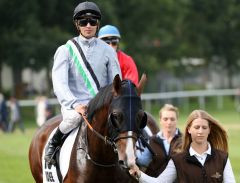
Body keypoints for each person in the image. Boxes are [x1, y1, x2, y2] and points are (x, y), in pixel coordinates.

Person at [44, 1, 121, 165]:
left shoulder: (108, 51)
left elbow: (115, 83)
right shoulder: (65, 50)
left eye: (92, 21)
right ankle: (53, 145)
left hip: (101, 106)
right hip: (75, 106)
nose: (88, 25)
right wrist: (74, 104)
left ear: (97, 24)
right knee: (73, 119)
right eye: (83, 22)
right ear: (77, 24)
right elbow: (59, 84)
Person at [129, 109, 236, 183]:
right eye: (196, 127)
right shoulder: (177, 160)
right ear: (189, 129)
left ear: (209, 130)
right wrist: (139, 174)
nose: (200, 131)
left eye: (204, 127)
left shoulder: (222, 158)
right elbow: (160, 182)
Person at [136, 104, 182, 176]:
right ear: (160, 120)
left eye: (172, 119)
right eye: (165, 119)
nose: (169, 122)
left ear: (177, 120)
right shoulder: (152, 140)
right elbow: (143, 160)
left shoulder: (184, 140)